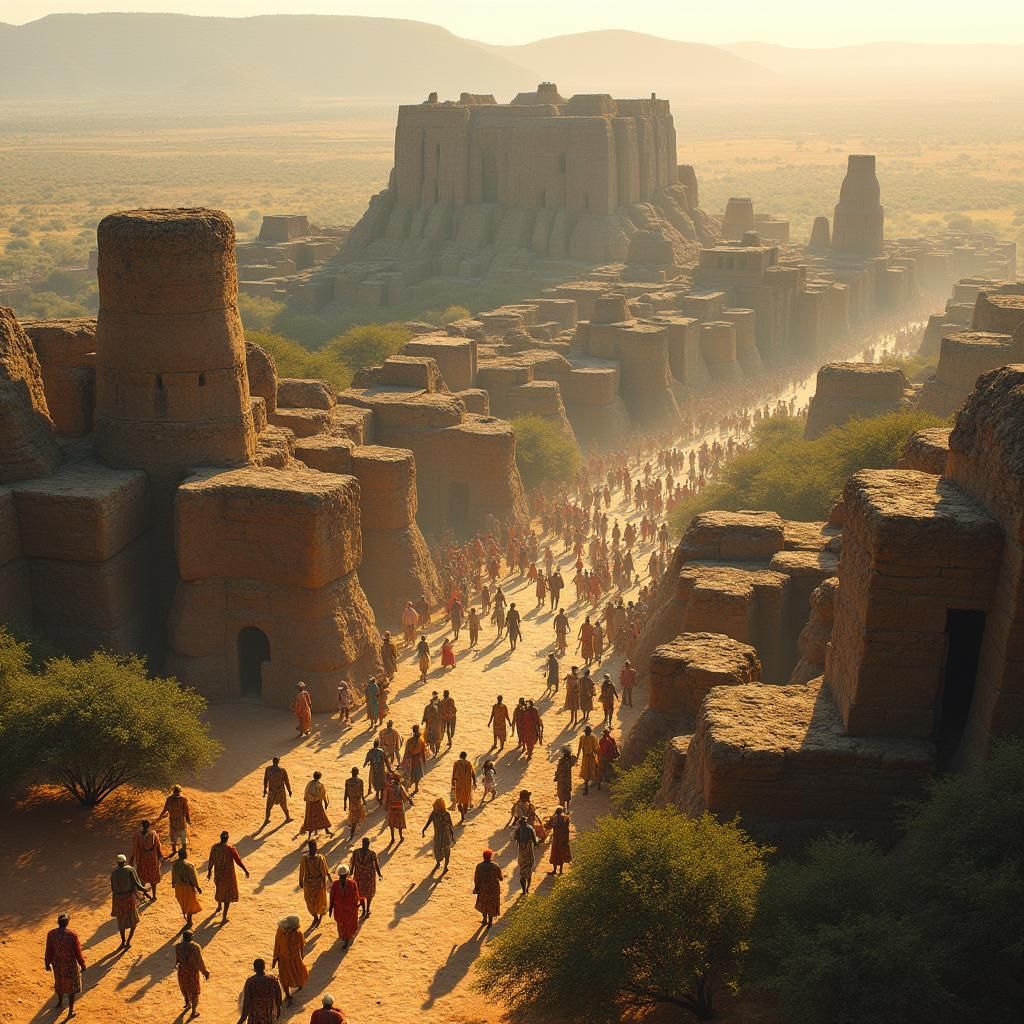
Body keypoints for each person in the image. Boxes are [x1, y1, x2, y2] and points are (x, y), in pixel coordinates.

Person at [44, 913, 86, 1018]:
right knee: (71, 987)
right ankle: (70, 1011)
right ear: (67, 923)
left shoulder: (51, 934)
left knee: (59, 983)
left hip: (57, 964)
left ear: (58, 922)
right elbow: (77, 951)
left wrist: (47, 963)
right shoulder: (72, 935)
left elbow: (49, 950)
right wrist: (82, 964)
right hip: (69, 964)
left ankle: (60, 1002)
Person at [207, 830, 249, 925]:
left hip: (218, 874)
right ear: (227, 838)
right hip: (228, 876)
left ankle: (219, 906)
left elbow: (211, 860)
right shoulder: (230, 849)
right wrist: (245, 871)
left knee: (219, 889)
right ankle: (224, 917)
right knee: (227, 896)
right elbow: (238, 861)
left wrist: (209, 872)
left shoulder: (214, 848)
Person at [110, 853, 148, 949]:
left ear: (117, 863)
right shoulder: (130, 869)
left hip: (119, 900)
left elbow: (113, 889)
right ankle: (128, 942)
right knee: (133, 922)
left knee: (121, 922)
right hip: (128, 898)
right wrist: (144, 889)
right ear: (125, 861)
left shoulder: (114, 874)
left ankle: (123, 941)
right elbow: (136, 883)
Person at [272, 915, 308, 1005]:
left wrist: (302, 955)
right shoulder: (280, 931)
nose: (285, 929)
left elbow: (301, 945)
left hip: (294, 958)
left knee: (298, 972)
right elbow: (277, 944)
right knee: (284, 977)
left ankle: (299, 984)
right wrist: (275, 958)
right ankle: (287, 994)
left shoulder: (298, 934)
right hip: (283, 959)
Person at [174, 929, 209, 1020]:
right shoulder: (195, 947)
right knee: (194, 991)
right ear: (190, 937)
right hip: (192, 972)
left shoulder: (178, 946)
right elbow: (199, 962)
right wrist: (205, 972)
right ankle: (193, 1012)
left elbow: (177, 961)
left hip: (182, 971)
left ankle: (187, 1002)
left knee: (184, 987)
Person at [237, 959, 283, 1024]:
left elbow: (247, 1002)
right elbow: (278, 997)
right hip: (268, 1015)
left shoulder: (250, 982)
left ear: (254, 968)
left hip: (255, 1016)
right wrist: (278, 1009)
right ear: (264, 967)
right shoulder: (273, 980)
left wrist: (242, 1019)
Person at [298, 840, 331, 928]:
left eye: (315, 847)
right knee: (310, 901)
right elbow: (302, 871)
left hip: (318, 884)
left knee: (320, 900)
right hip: (308, 884)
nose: (314, 849)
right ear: (310, 848)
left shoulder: (320, 858)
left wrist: (325, 882)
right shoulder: (304, 858)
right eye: (312, 847)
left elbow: (325, 871)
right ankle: (315, 916)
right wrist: (301, 881)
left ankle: (319, 916)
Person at [129, 819, 163, 901]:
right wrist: (160, 855)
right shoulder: (150, 834)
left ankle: (148, 895)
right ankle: (148, 894)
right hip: (149, 858)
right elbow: (158, 846)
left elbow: (135, 848)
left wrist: (133, 858)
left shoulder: (148, 834)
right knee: (146, 877)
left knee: (146, 877)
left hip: (147, 858)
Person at [328, 865, 361, 948]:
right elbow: (356, 896)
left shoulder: (335, 884)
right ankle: (347, 938)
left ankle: (344, 937)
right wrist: (357, 905)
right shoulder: (353, 883)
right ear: (347, 874)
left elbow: (331, 897)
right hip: (350, 909)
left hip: (339, 909)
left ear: (339, 874)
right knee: (349, 924)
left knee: (341, 923)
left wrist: (330, 908)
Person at [349, 838, 383, 917]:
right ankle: (367, 910)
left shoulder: (356, 852)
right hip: (369, 876)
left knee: (360, 893)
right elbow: (376, 865)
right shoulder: (372, 853)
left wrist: (351, 873)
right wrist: (379, 874)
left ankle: (364, 911)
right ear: (368, 844)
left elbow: (353, 864)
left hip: (359, 875)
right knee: (368, 893)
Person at [422, 797, 456, 873]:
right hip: (439, 835)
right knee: (437, 850)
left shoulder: (445, 814)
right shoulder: (434, 813)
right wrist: (424, 829)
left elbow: (450, 825)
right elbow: (429, 822)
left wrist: (452, 836)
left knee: (446, 851)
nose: (434, 808)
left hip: (445, 836)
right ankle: (438, 862)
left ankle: (445, 866)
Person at [171, 847, 203, 928]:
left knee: (183, 903)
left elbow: (173, 875)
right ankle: (189, 921)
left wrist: (173, 883)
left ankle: (188, 918)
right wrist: (198, 887)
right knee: (189, 904)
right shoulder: (188, 865)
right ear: (185, 855)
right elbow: (193, 878)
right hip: (187, 887)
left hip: (178, 887)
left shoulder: (174, 864)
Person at [157, 784, 191, 855]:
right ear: (180, 791)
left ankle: (174, 849)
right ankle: (183, 850)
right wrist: (188, 819)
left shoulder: (169, 799)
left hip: (172, 820)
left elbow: (165, 809)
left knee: (173, 834)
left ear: (173, 791)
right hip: (181, 820)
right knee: (183, 835)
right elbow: (186, 810)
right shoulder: (183, 799)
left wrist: (160, 816)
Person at [298, 771, 334, 839]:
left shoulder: (309, 784)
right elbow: (323, 795)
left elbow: (306, 793)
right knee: (322, 817)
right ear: (320, 777)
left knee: (310, 818)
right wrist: (325, 803)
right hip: (317, 804)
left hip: (309, 804)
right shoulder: (320, 785)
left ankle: (309, 835)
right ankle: (327, 831)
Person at [473, 850, 503, 927]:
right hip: (494, 888)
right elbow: (501, 878)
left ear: (483, 857)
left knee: (484, 903)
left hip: (483, 888)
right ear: (490, 856)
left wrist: (477, 888)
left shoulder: (479, 866)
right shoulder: (495, 866)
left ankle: (484, 919)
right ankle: (490, 922)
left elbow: (476, 879)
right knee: (492, 904)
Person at [513, 815, 541, 894]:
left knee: (522, 874)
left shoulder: (518, 830)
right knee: (529, 873)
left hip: (522, 855)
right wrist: (536, 844)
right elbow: (535, 841)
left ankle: (524, 891)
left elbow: (516, 839)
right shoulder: (530, 828)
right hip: (529, 854)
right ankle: (528, 888)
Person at [384, 770, 414, 843]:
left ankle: (393, 838)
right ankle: (401, 837)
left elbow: (386, 797)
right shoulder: (400, 787)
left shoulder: (389, 787)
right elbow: (405, 797)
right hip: (399, 806)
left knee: (391, 822)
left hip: (391, 806)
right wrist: (410, 800)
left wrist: (386, 805)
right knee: (400, 823)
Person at [262, 757, 293, 825]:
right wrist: (289, 790)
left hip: (272, 791)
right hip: (280, 791)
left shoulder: (268, 769)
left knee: (269, 806)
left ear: (272, 762)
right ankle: (288, 818)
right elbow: (286, 781)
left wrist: (265, 789)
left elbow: (265, 780)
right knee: (284, 805)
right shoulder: (282, 770)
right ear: (278, 762)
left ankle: (267, 819)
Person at [450, 751, 476, 823]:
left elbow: (454, 773)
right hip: (467, 784)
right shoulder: (468, 763)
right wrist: (474, 781)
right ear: (465, 756)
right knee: (466, 800)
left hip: (459, 784)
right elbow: (472, 773)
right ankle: (463, 815)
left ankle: (462, 815)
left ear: (460, 756)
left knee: (458, 800)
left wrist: (453, 783)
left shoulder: (457, 763)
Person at [546, 806, 572, 875]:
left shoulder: (553, 818)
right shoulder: (565, 818)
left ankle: (554, 870)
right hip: (563, 839)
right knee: (561, 853)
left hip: (556, 839)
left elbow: (548, 827)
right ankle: (560, 871)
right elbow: (567, 828)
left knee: (555, 853)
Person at [402, 725, 428, 792]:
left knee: (411, 774)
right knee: (417, 774)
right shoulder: (421, 740)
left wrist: (405, 760)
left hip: (411, 759)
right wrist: (424, 760)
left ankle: (412, 786)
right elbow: (423, 751)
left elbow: (406, 752)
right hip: (417, 760)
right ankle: (415, 787)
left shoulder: (410, 741)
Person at [576, 726, 601, 795]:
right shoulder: (582, 738)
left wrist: (592, 753)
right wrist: (577, 756)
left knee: (592, 771)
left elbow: (596, 748)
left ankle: (597, 784)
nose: (586, 733)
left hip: (591, 758)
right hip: (585, 758)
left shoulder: (593, 738)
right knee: (585, 772)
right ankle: (586, 788)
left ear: (590, 732)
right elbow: (580, 747)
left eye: (588, 732)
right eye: (586, 732)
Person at [343, 767, 367, 839]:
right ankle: (352, 834)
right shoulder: (360, 781)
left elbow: (346, 793)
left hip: (351, 802)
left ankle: (352, 830)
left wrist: (344, 804)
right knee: (356, 818)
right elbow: (362, 792)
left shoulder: (347, 781)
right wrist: (364, 800)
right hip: (358, 801)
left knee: (353, 817)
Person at [363, 740, 387, 804]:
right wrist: (390, 769)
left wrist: (366, 764)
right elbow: (386, 761)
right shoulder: (381, 751)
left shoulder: (370, 752)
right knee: (381, 781)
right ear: (378, 744)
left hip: (373, 769)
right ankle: (381, 796)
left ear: (373, 745)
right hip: (381, 769)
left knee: (373, 780)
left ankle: (376, 792)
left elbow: (366, 762)